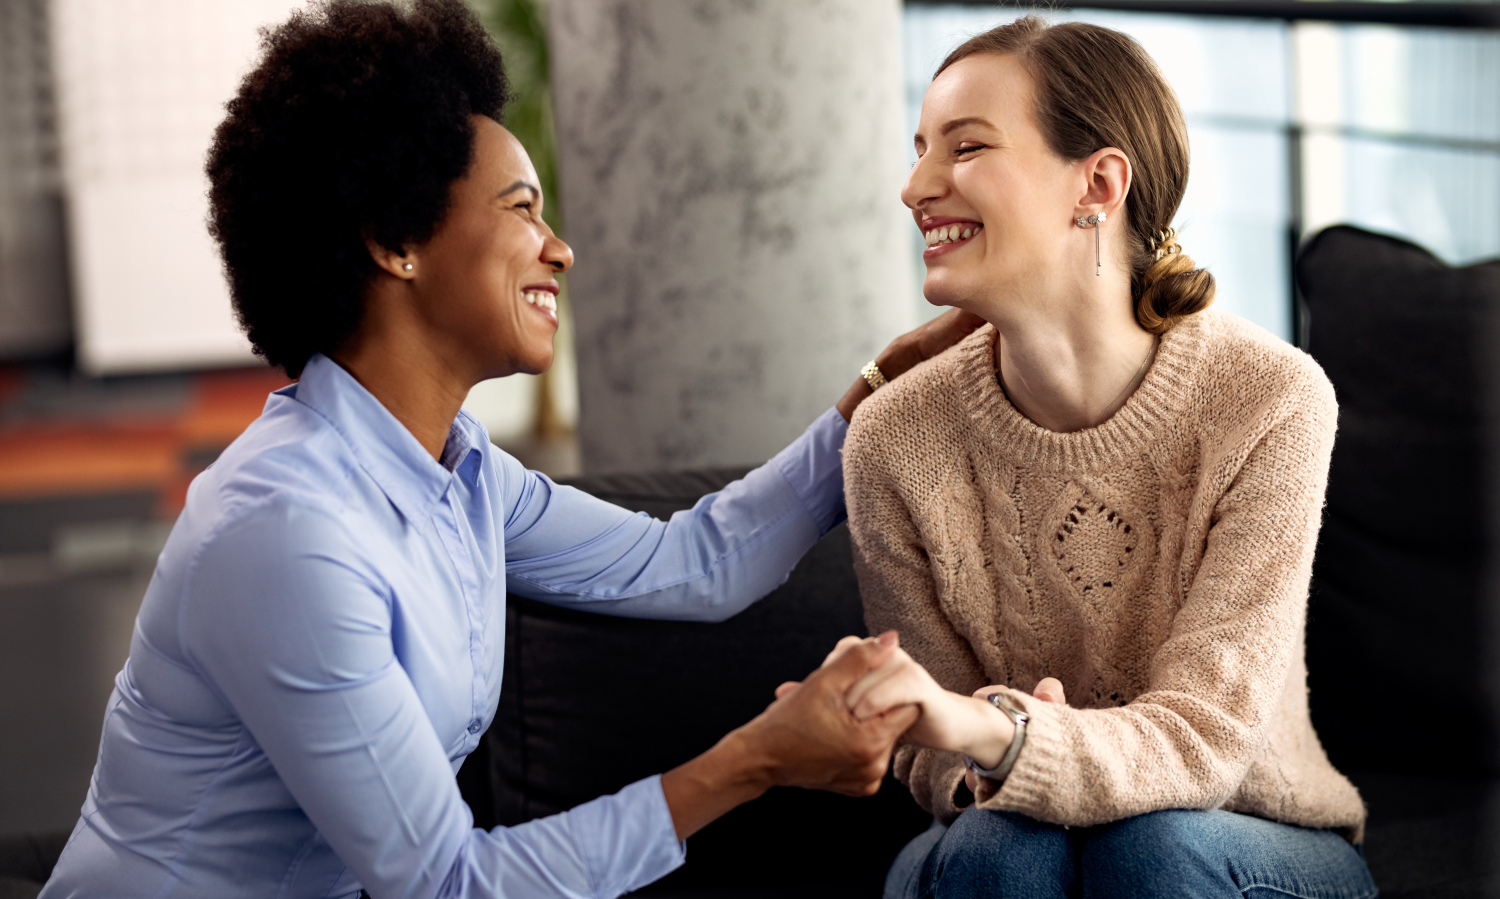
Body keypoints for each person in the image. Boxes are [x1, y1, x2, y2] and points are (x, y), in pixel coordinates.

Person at [38, 3, 982, 897]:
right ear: (397, 239)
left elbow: (696, 559)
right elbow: (450, 883)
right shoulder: (286, 534)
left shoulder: (464, 471)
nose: (559, 247)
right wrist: (757, 759)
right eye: (522, 207)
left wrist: (874, 390)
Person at [834, 16, 1378, 899]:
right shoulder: (895, 439)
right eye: (920, 149)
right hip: (996, 835)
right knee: (1001, 848)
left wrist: (1008, 735)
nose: (915, 186)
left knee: (1152, 848)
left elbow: (1204, 737)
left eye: (965, 149)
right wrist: (982, 761)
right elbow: (930, 751)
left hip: (1247, 834)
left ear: (1098, 182)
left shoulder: (1272, 399)